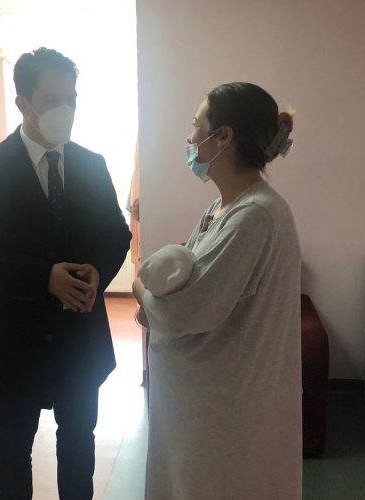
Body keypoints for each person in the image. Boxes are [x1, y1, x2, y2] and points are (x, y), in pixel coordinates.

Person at [0, 47, 131, 499]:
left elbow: (116, 234)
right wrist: (43, 276)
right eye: (51, 100)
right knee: (13, 450)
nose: (64, 110)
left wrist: (98, 271)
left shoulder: (91, 164)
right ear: (22, 104)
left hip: (78, 337)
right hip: (14, 339)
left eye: (71, 99)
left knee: (79, 444)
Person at [133, 82, 302, 499]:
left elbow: (184, 311)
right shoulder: (223, 206)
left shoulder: (255, 216)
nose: (190, 138)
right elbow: (192, 284)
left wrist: (140, 288)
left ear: (223, 137)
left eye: (196, 126)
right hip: (204, 397)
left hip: (225, 402)